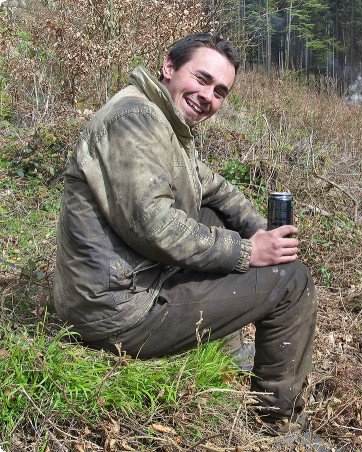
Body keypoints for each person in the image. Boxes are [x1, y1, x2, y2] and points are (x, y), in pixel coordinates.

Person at [53, 33, 317, 433]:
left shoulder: (165, 122)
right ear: (169, 67)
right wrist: (248, 252)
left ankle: (228, 352)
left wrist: (259, 230)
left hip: (126, 284)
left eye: (220, 91)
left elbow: (213, 188)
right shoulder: (133, 122)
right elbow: (153, 226)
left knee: (215, 214)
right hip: (116, 312)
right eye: (202, 78)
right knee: (292, 280)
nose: (207, 95)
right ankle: (276, 423)